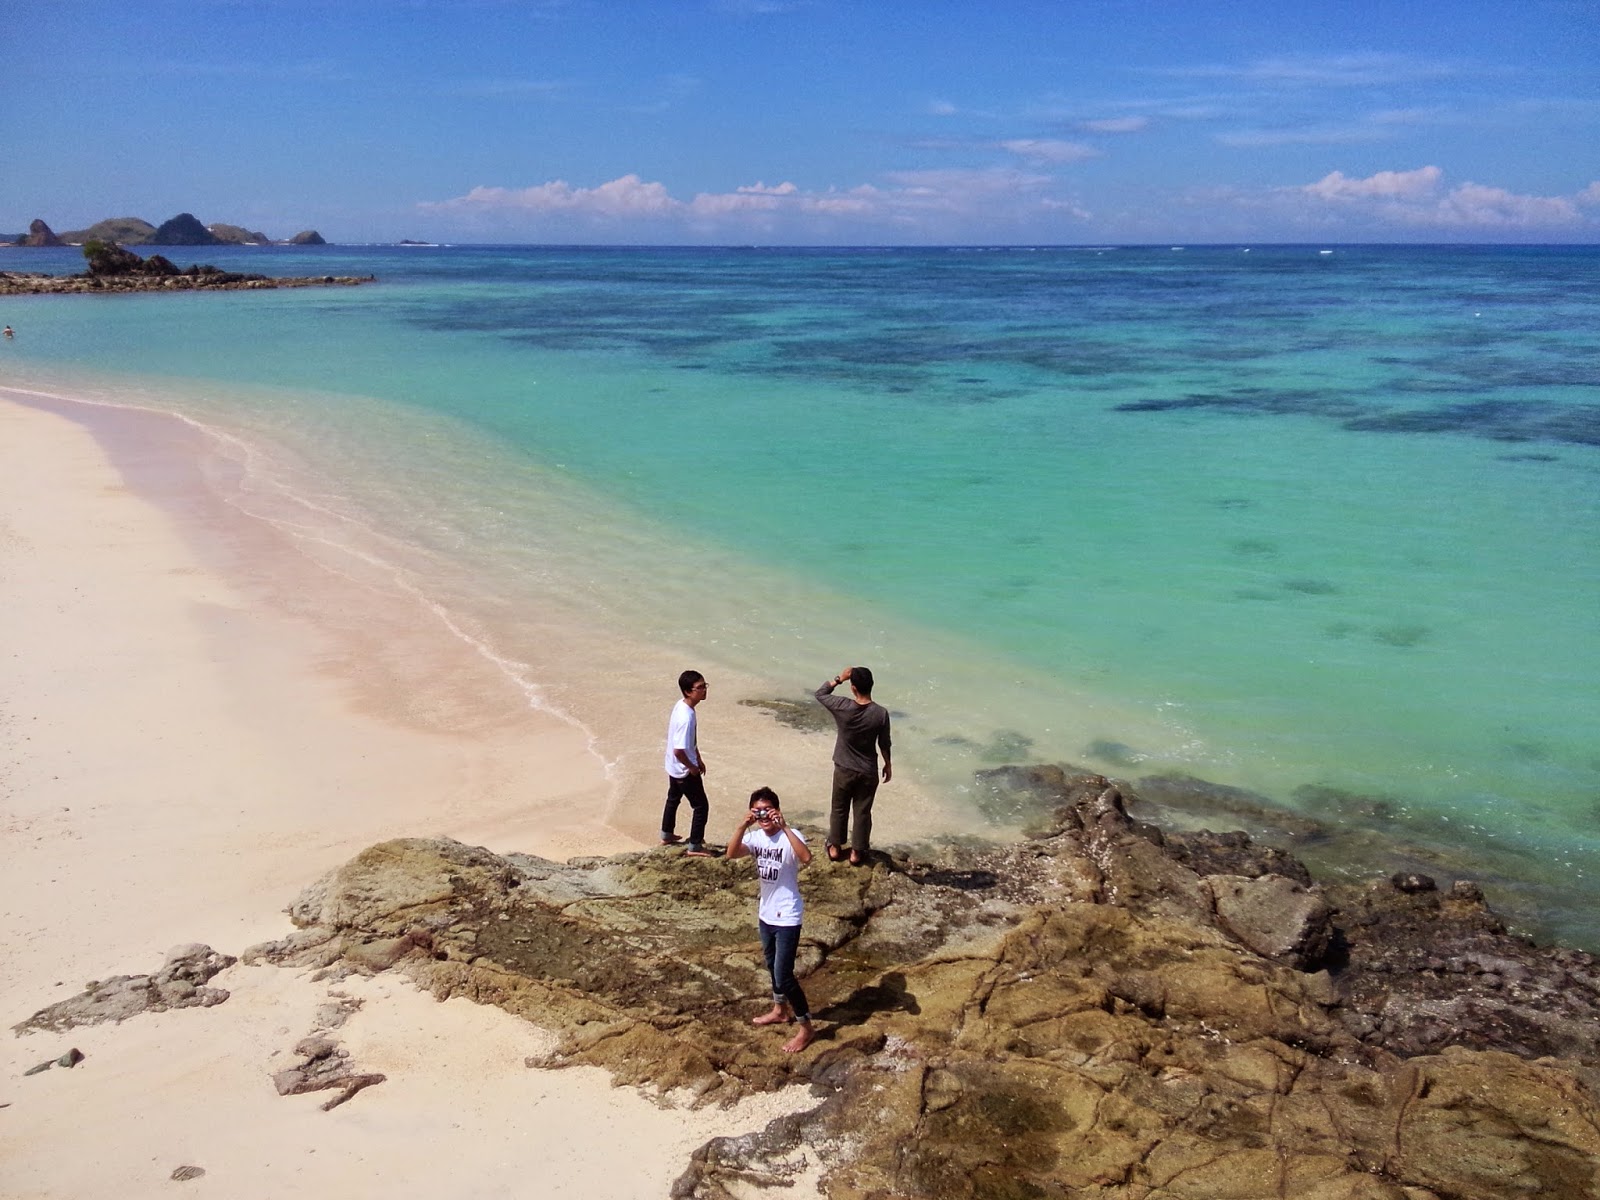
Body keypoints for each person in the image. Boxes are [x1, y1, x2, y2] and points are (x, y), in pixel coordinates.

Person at [726, 787, 815, 1053]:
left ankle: (807, 1028)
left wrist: (785, 827)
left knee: (784, 975)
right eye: (757, 811)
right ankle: (780, 1010)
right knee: (770, 964)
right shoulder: (756, 839)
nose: (763, 816)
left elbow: (807, 858)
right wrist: (743, 825)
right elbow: (731, 853)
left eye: (767, 810)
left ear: (776, 810)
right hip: (766, 914)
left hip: (788, 915)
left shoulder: (791, 836)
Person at [815, 665, 892, 866]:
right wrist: (888, 764)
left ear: (853, 688)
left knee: (839, 808)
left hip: (843, 768)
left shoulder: (843, 706)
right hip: (867, 771)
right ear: (872, 685)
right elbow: (884, 742)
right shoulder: (881, 714)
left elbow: (820, 693)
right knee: (863, 811)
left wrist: (839, 678)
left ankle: (834, 848)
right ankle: (857, 853)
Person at [661, 669, 711, 855]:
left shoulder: (682, 706)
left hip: (673, 766)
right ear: (688, 691)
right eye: (700, 687)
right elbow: (679, 750)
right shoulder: (686, 717)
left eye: (705, 685)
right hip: (683, 769)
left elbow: (689, 742)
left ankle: (666, 834)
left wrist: (698, 757)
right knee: (701, 806)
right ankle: (695, 846)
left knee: (673, 798)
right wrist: (692, 767)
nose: (704, 690)